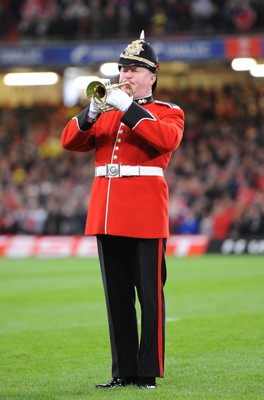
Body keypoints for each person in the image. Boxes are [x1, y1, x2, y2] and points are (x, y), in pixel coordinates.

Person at [61, 31, 185, 389]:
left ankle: (147, 374)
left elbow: (165, 139)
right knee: (117, 300)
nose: (126, 75)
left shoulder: (167, 111)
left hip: (145, 214)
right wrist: (92, 110)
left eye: (135, 69)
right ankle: (123, 372)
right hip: (106, 212)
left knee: (149, 298)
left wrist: (127, 107)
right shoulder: (106, 111)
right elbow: (69, 141)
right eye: (123, 68)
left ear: (153, 75)